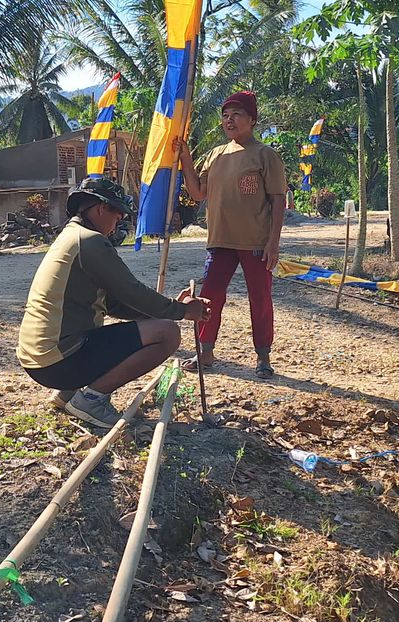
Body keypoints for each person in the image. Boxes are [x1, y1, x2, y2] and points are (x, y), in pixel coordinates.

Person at [17, 177, 210, 429]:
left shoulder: (71, 237)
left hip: (40, 360)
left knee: (158, 325)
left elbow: (115, 304)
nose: (115, 226)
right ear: (101, 209)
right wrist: (181, 311)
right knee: (168, 334)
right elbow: (132, 292)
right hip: (58, 360)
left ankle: (68, 393)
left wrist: (167, 309)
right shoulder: (91, 241)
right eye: (117, 218)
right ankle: (91, 400)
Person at [174, 90, 288, 379]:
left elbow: (278, 200)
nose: (229, 120)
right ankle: (205, 352)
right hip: (220, 240)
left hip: (255, 242)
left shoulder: (265, 155)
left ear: (252, 120)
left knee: (260, 299)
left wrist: (273, 242)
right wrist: (185, 159)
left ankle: (263, 357)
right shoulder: (215, 155)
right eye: (225, 115)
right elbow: (197, 192)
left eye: (237, 114)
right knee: (210, 296)